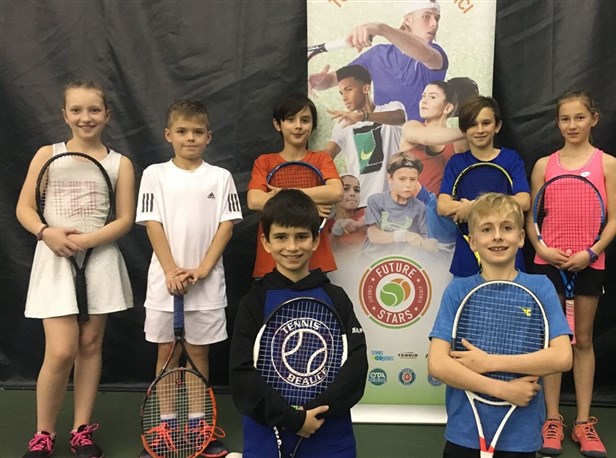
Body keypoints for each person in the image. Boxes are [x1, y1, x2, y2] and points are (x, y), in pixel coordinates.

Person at [15, 80, 135, 458]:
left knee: (89, 345)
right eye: (77, 110)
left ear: (107, 115)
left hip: (99, 261)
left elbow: (125, 220)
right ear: (64, 115)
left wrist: (87, 241)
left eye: (94, 110)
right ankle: (43, 434)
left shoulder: (120, 163)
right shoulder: (46, 155)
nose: (86, 117)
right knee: (61, 350)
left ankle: (81, 431)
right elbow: (24, 209)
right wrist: (46, 233)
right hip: (54, 260)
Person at [428, 193, 573, 457]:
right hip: (465, 432)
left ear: (521, 237)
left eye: (506, 228)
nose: (497, 236)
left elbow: (563, 357)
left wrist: (489, 362)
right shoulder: (458, 290)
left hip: (520, 436)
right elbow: (437, 364)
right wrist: (504, 390)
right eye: (486, 229)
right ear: (472, 241)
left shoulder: (541, 287)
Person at [136, 99, 242, 458]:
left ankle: (199, 428)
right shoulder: (154, 174)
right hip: (164, 286)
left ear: (209, 136)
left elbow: (226, 226)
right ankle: (165, 427)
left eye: (198, 131)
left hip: (206, 287)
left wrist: (203, 269)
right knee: (167, 354)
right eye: (182, 131)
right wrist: (170, 271)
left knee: (198, 355)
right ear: (168, 135)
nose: (190, 137)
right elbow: (152, 223)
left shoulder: (220, 177)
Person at [230, 189, 368, 457]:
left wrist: (314, 413)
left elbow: (356, 364)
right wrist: (292, 419)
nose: (292, 247)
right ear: (266, 242)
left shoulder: (336, 297)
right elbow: (242, 375)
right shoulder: (254, 302)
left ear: (315, 241)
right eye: (281, 237)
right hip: (268, 436)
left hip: (329, 435)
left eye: (301, 237)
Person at [525, 90, 616, 458]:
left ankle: (583, 422)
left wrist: (590, 253)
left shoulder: (607, 164)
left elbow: (615, 221)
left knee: (582, 340)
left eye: (579, 117)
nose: (572, 125)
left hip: (589, 263)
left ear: (593, 119)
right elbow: (532, 220)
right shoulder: (543, 166)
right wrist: (542, 249)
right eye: (565, 118)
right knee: (554, 342)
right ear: (557, 122)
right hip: (548, 264)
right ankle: (552, 419)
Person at [248, 94, 343, 276]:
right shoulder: (264, 162)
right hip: (272, 262)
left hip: (315, 258)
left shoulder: (322, 158)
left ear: (313, 125)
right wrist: (309, 208)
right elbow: (254, 201)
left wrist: (284, 193)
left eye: (305, 120)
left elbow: (336, 192)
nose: (298, 126)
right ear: (278, 124)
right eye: (291, 120)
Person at [437, 96, 531, 277]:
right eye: (473, 125)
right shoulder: (456, 163)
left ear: (497, 126)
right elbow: (443, 206)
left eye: (486, 123)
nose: (479, 130)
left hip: (508, 257)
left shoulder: (511, 159)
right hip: (467, 257)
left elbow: (524, 201)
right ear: (464, 130)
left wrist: (473, 207)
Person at [308, 1, 448, 121]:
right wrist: (318, 82)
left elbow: (425, 54)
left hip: (418, 142)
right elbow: (332, 80)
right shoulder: (377, 55)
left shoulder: (436, 55)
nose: (434, 24)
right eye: (426, 16)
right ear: (407, 20)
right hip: (382, 138)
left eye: (437, 18)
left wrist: (381, 29)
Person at [325, 65, 406, 208]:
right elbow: (326, 158)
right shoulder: (343, 124)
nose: (344, 98)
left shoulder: (391, 108)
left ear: (365, 88)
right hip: (359, 206)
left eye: (348, 90)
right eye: (341, 93)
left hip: (393, 204)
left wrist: (363, 117)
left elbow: (400, 118)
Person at [399, 79, 472, 195]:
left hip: (441, 204)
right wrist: (472, 130)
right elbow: (426, 137)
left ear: (447, 108)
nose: (424, 101)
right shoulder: (411, 127)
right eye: (423, 96)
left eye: (432, 97)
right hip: (407, 204)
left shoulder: (458, 142)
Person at [364, 151, 441, 254]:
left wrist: (428, 244)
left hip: (403, 262)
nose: (408, 184)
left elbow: (424, 239)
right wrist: (404, 235)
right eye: (402, 179)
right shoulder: (376, 201)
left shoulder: (420, 207)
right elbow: (373, 235)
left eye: (413, 179)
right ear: (390, 178)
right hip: (372, 261)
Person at [326, 175, 367, 247]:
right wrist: (338, 228)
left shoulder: (367, 213)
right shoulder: (326, 224)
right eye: (346, 189)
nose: (352, 193)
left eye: (356, 190)